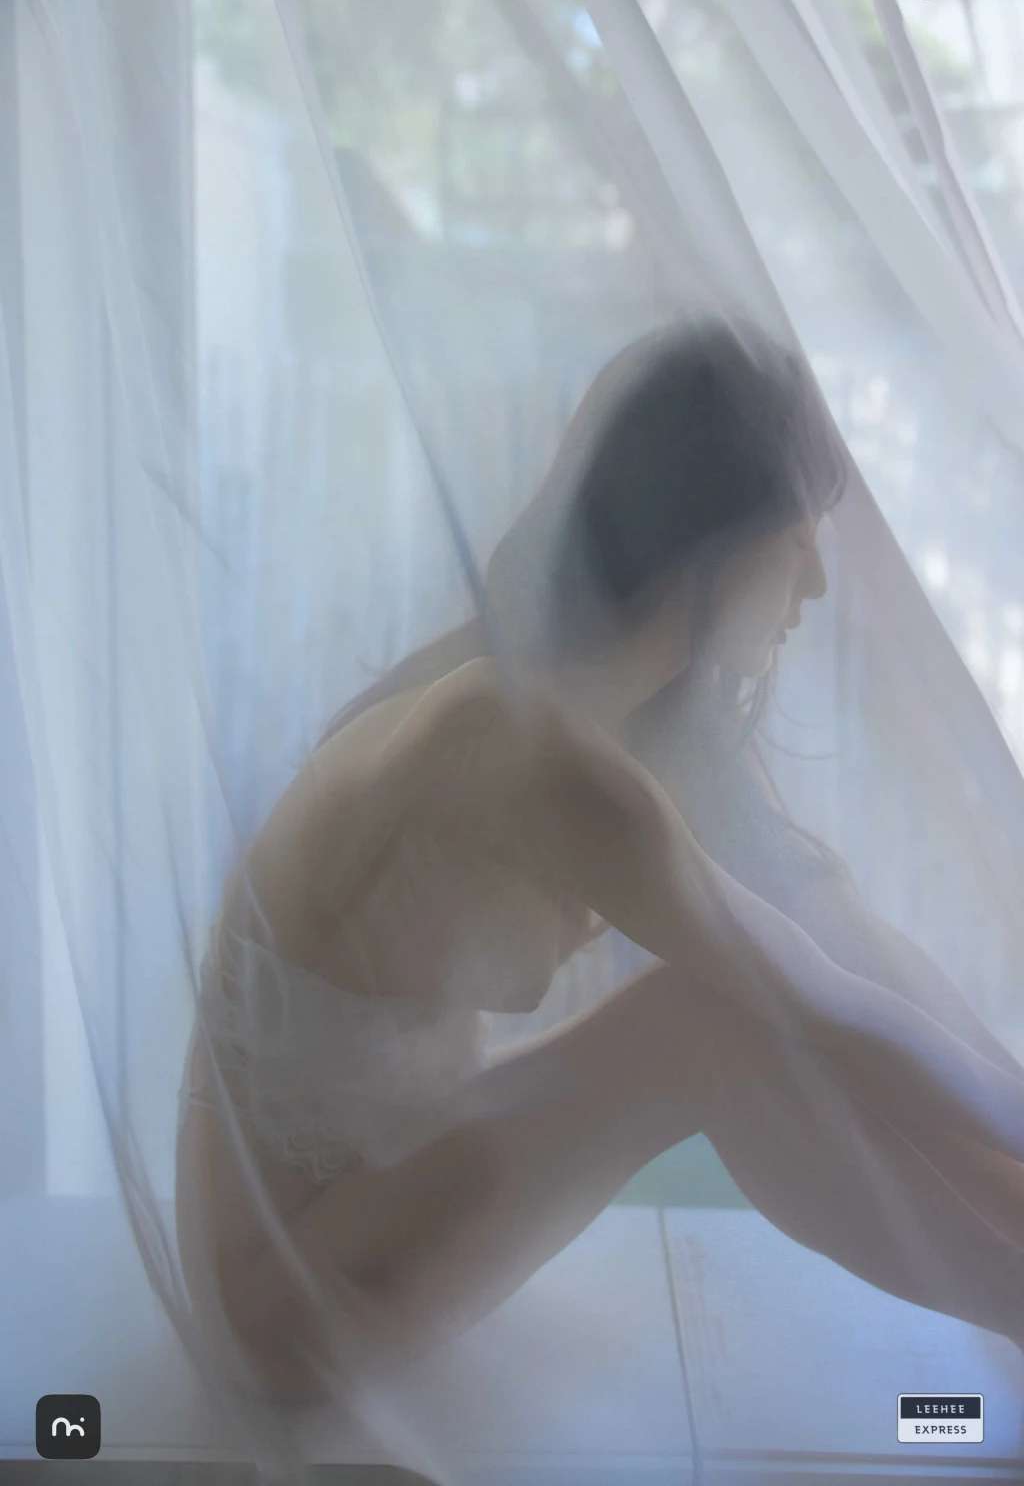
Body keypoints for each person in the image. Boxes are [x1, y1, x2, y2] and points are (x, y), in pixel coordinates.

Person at [175, 315, 1024, 1408]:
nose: (815, 583)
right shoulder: (521, 745)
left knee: (728, 1016)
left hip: (384, 1209)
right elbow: (821, 1007)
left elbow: (846, 941)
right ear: (712, 542)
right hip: (288, 1296)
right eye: (798, 534)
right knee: (704, 1024)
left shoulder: (632, 718)